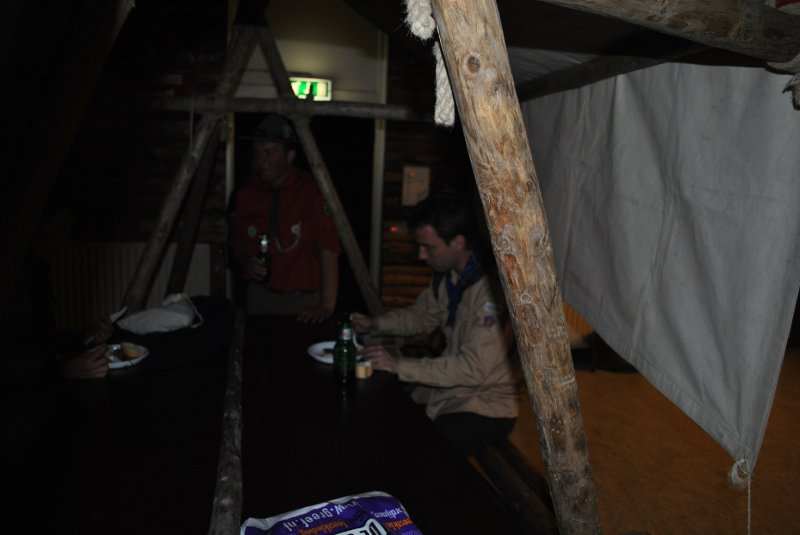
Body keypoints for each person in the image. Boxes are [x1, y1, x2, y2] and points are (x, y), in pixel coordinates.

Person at [351, 195, 519, 456]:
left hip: (487, 405)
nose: (421, 255)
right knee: (385, 414)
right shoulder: (449, 277)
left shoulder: (492, 294)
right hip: (453, 392)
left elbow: (472, 369)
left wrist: (399, 365)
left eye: (428, 247)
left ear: (457, 242)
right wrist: (374, 324)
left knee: (426, 453)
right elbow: (421, 316)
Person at [228, 114, 341, 322]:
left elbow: (328, 248)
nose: (261, 160)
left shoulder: (312, 192)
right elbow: (239, 243)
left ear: (289, 156)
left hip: (303, 302)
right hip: (260, 298)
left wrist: (326, 304)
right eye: (257, 152)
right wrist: (246, 264)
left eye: (268, 152)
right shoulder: (248, 194)